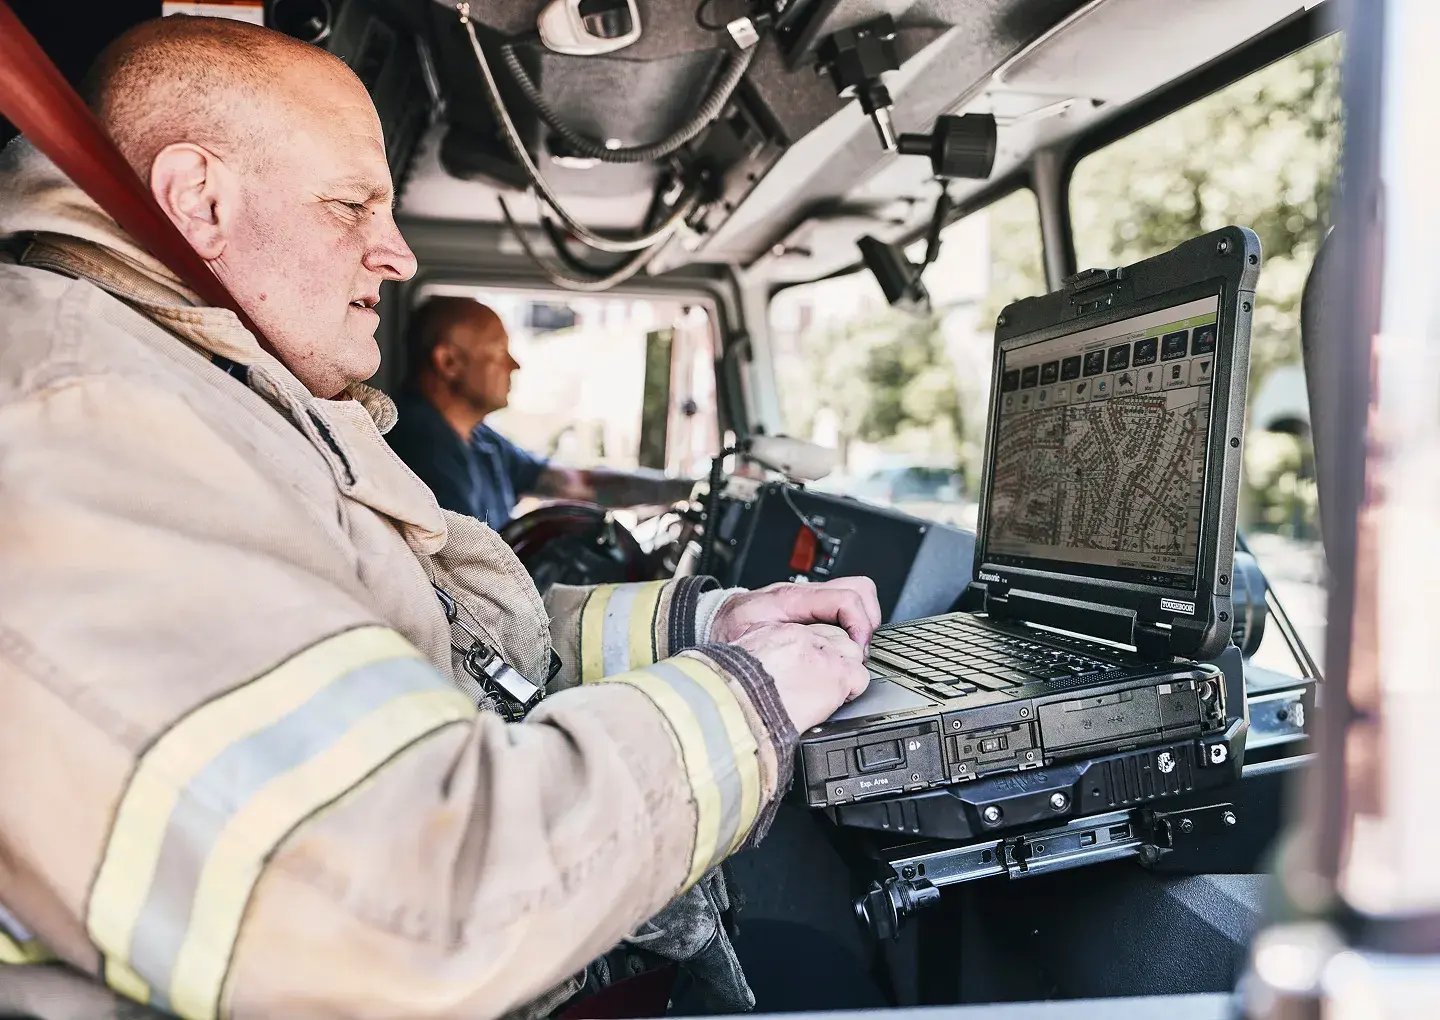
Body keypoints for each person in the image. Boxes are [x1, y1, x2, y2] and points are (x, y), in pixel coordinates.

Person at [0, 15, 878, 1020]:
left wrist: (704, 626)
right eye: (351, 206)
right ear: (200, 200)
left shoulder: (212, 388)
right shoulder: (79, 423)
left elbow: (448, 652)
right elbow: (406, 914)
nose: (398, 255)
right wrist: (746, 703)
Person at [386, 296, 696, 530]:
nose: (514, 365)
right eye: (498, 352)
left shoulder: (479, 438)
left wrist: (688, 489)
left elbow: (579, 483)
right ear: (449, 362)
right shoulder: (416, 450)